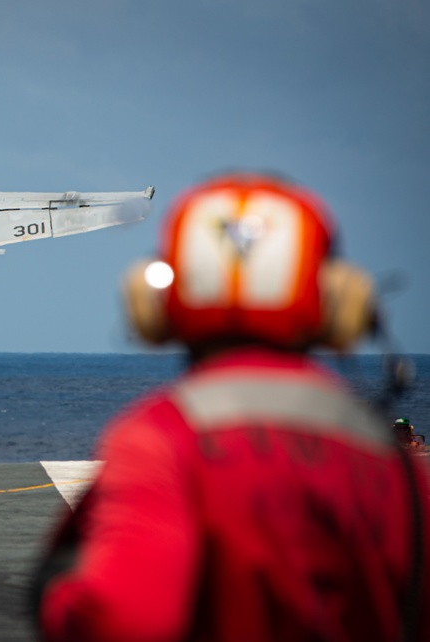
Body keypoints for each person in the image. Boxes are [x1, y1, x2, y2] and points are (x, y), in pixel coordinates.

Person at [35, 173, 430, 642]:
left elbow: (124, 620)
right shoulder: (397, 469)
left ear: (158, 302)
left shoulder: (160, 438)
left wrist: (55, 598)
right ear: (339, 300)